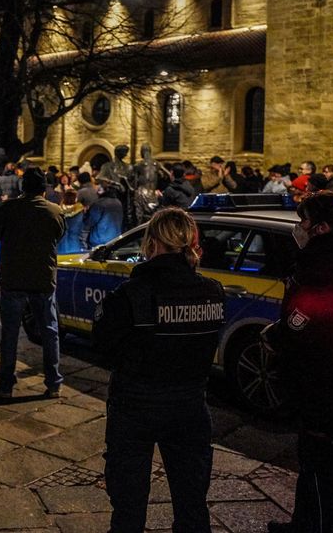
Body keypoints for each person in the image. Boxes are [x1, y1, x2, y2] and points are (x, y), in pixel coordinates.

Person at [93, 208, 226, 533]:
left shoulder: (131, 295)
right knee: (192, 505)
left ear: (151, 243)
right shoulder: (212, 291)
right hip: (190, 407)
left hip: (135, 407)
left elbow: (104, 348)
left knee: (128, 508)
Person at [261, 192, 333, 533]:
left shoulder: (319, 270)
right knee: (316, 462)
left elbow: (303, 325)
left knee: (324, 471)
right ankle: (302, 524)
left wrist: (277, 334)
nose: (299, 228)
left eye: (304, 222)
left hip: (324, 387)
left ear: (321, 228)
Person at [0, 168, 66, 399]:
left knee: (10, 333)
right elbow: (59, 235)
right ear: (44, 189)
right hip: (42, 277)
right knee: (50, 332)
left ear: (23, 188)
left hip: (13, 277)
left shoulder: (9, 209)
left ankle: (5, 384)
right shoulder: (55, 212)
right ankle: (53, 382)